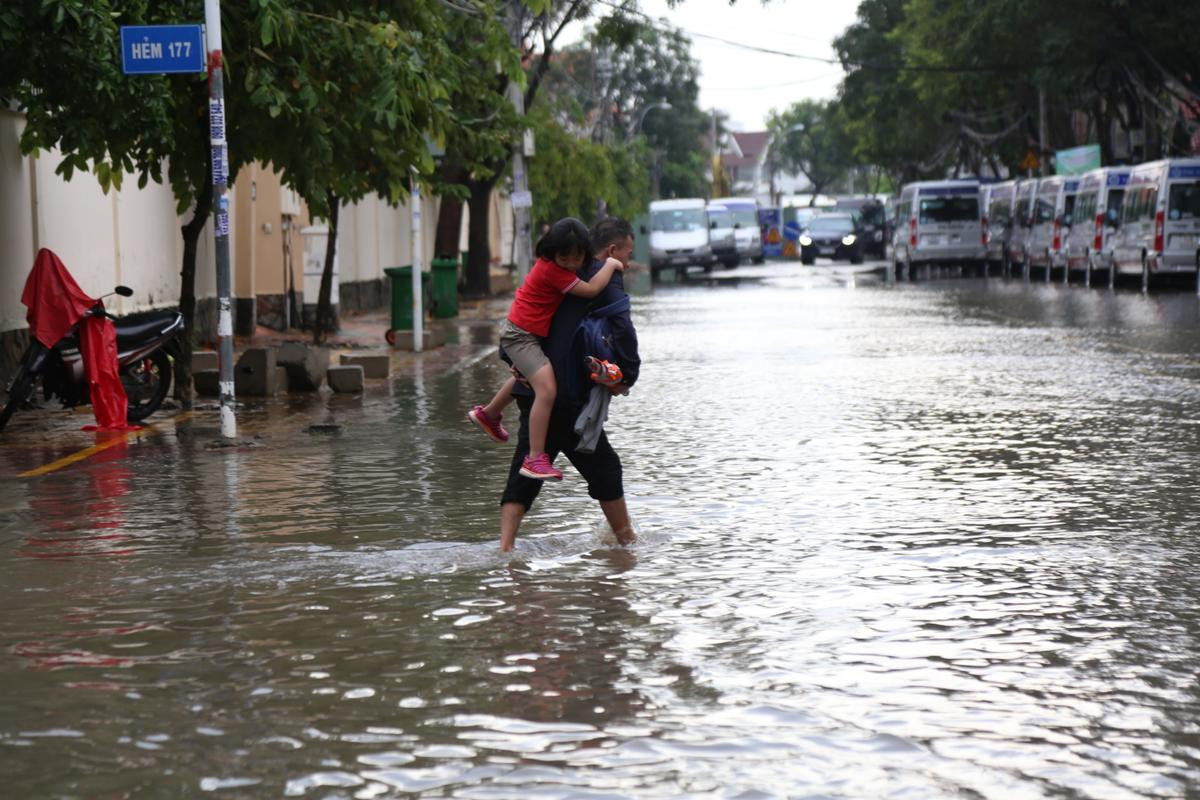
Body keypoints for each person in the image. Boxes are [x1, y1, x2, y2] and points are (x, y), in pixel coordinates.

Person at [496, 217, 641, 552]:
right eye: (628, 253)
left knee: (525, 471)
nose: (629, 262)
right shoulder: (605, 278)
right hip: (566, 395)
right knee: (605, 467)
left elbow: (515, 334)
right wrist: (628, 375)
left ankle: (505, 552)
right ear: (612, 251)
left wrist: (515, 364)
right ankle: (628, 545)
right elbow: (622, 326)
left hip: (534, 393)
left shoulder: (557, 273)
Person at [468, 218, 625, 481]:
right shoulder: (553, 271)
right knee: (547, 389)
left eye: (578, 257)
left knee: (527, 378)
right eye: (565, 258)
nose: (573, 264)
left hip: (525, 332)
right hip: (521, 336)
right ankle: (534, 459)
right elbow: (592, 289)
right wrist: (611, 264)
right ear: (551, 252)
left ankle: (489, 413)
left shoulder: (557, 266)